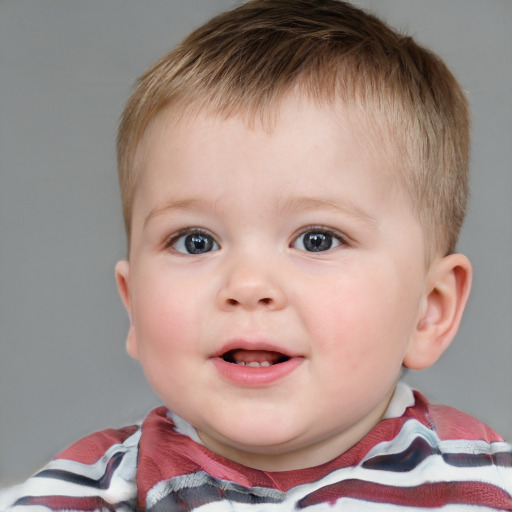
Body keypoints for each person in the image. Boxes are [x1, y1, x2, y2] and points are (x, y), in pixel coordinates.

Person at [2, 0, 511, 510]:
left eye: (317, 239)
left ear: (430, 309)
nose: (247, 285)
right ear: (132, 304)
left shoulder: (481, 487)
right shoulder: (84, 494)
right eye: (195, 241)